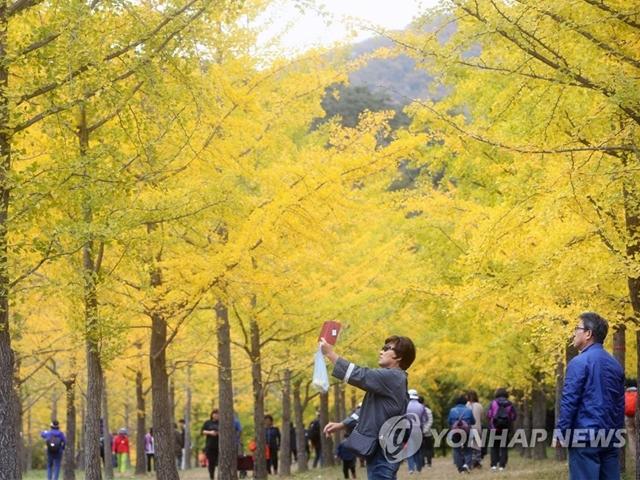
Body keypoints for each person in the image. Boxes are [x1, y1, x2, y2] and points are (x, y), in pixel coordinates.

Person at [321, 334, 416, 480]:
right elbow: (367, 411)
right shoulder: (391, 381)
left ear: (399, 357)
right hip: (379, 448)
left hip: (383, 451)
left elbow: (360, 375)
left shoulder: (394, 377)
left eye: (387, 348)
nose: (381, 351)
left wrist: (330, 353)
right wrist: (342, 424)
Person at [555, 312, 625, 480]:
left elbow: (569, 401)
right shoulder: (615, 365)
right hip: (610, 438)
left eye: (577, 328)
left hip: (584, 438)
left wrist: (561, 432)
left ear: (588, 333)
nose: (574, 332)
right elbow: (619, 404)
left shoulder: (579, 363)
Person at [486, 388, 516, 471]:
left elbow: (488, 415)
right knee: (503, 447)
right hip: (505, 428)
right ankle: (502, 466)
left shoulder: (493, 403)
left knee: (494, 447)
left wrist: (492, 420)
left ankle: (494, 465)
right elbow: (513, 416)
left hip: (494, 428)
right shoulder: (510, 404)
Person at [448, 395, 474, 474]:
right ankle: (466, 465)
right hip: (466, 432)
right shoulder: (468, 410)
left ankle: (460, 468)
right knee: (468, 449)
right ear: (465, 402)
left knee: (456, 449)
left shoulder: (452, 410)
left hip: (455, 432)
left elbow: (449, 422)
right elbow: (473, 421)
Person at [406, 389, 427, 473]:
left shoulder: (406, 405)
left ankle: (411, 468)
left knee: (410, 449)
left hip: (408, 428)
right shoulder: (421, 406)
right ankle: (419, 467)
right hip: (418, 429)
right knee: (418, 448)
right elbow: (425, 419)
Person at [466, 390, 483, 469]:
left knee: (470, 446)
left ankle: (472, 462)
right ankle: (477, 461)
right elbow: (481, 417)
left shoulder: (466, 405)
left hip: (469, 428)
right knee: (478, 445)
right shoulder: (479, 405)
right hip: (478, 427)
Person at [202, 409, 220, 480]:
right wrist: (210, 432)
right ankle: (211, 476)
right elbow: (202, 431)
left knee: (219, 462)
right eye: (215, 413)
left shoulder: (221, 423)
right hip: (210, 446)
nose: (216, 415)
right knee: (211, 462)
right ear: (212, 414)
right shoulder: (207, 422)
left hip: (219, 446)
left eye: (218, 414)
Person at [418, 396, 434, 467]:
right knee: (428, 448)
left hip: (421, 432)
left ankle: (423, 463)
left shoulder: (417, 410)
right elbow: (430, 421)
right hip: (427, 432)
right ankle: (428, 463)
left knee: (422, 448)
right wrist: (425, 430)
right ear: (423, 402)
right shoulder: (428, 410)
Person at [625, 380, 637, 459]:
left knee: (631, 437)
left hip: (628, 417)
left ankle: (635, 456)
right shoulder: (637, 393)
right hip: (637, 416)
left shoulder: (624, 394)